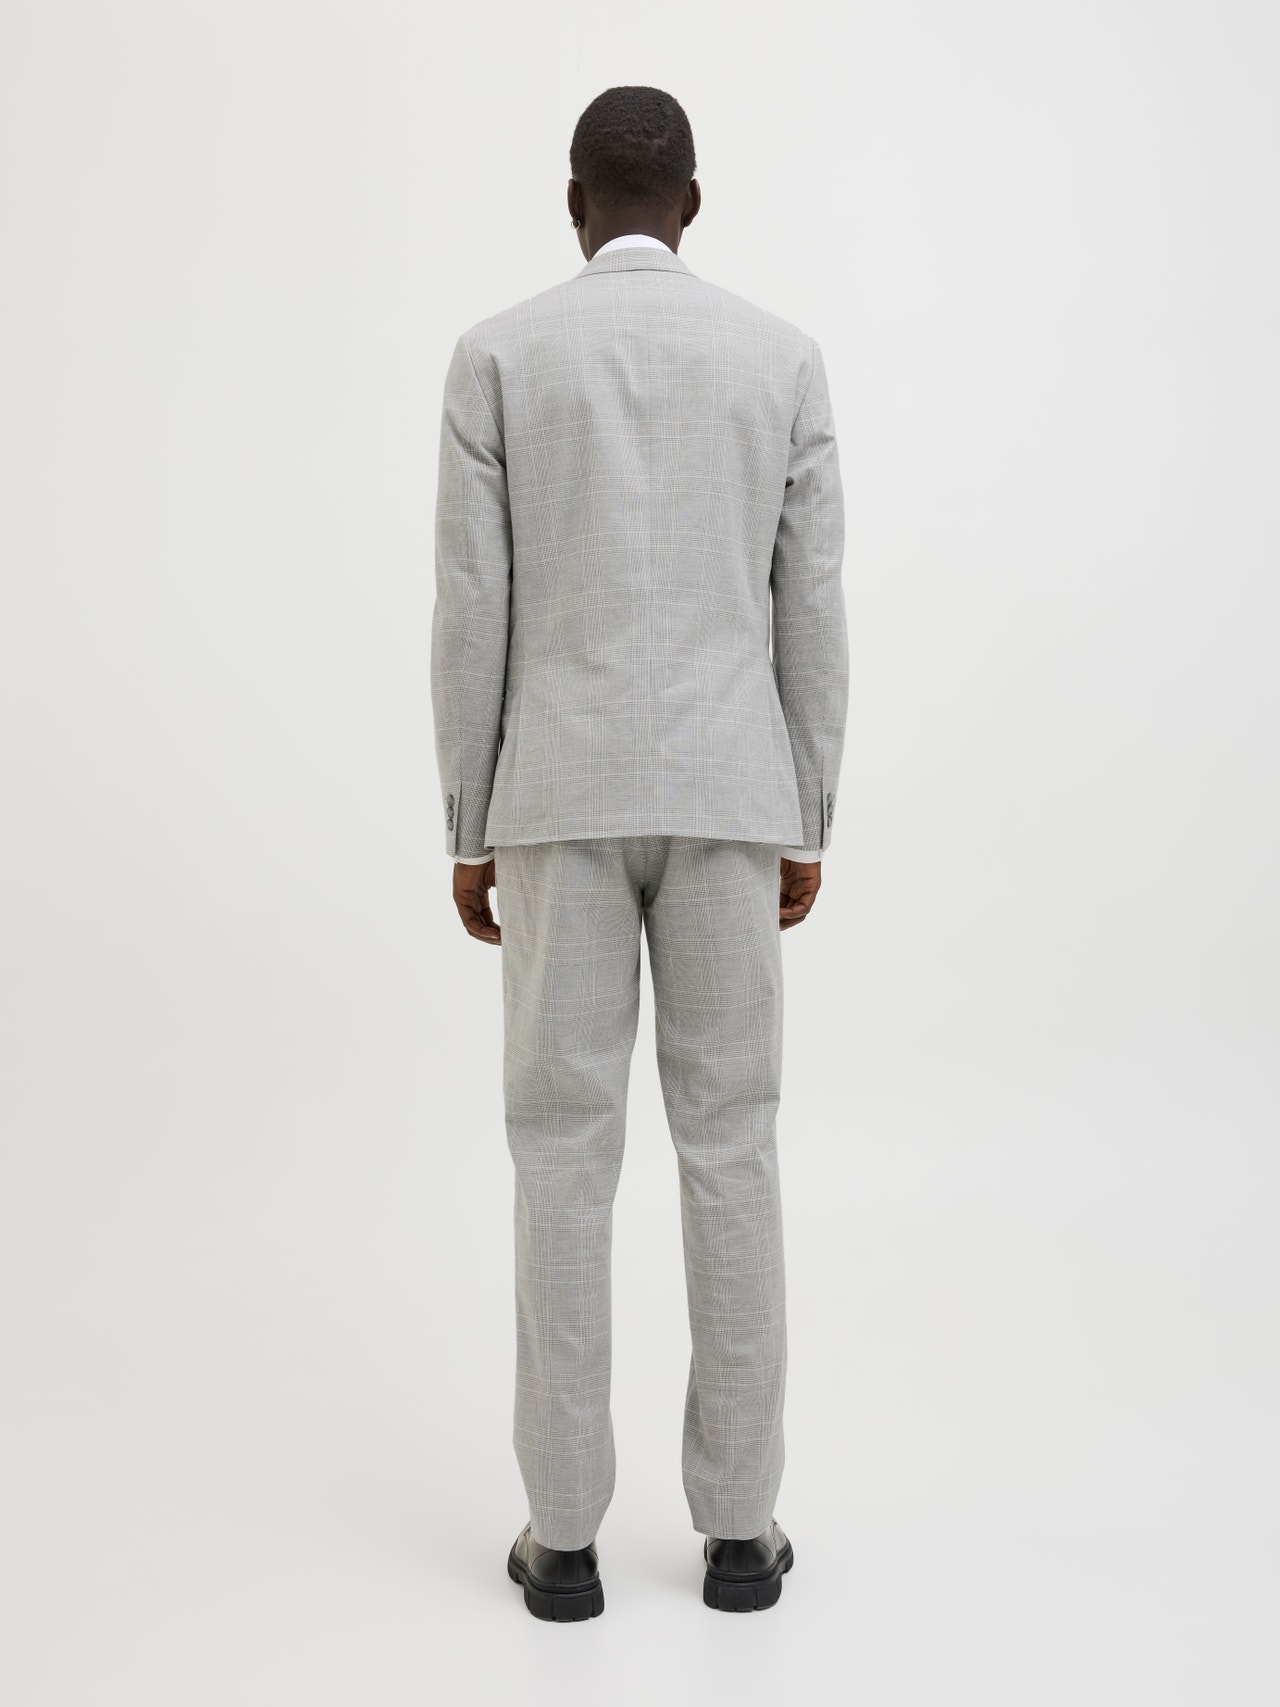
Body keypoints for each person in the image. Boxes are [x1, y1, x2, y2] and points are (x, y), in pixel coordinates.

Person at [431, 84, 849, 1620]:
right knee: (732, 1147)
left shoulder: (500, 357)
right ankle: (741, 1534)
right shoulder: (778, 359)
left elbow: (472, 610)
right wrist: (807, 806)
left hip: (555, 798)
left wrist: (468, 820)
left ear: (574, 202)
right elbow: (812, 603)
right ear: (693, 202)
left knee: (562, 1158)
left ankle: (562, 1542)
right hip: (734, 796)